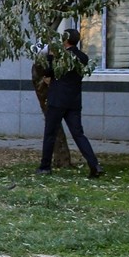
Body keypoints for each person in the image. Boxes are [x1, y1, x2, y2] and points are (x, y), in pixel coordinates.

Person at [36, 28, 102, 178]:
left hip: (57, 100)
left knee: (50, 134)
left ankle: (45, 166)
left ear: (65, 40)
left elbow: (47, 74)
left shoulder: (59, 57)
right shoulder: (83, 57)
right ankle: (94, 164)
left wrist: (50, 59)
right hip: (74, 101)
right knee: (78, 134)